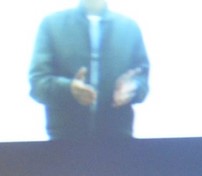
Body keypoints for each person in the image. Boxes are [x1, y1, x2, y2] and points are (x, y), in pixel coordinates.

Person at [29, 1, 149, 140]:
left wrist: (133, 88)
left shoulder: (129, 28)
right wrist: (69, 89)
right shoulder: (52, 25)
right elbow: (37, 84)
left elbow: (142, 82)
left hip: (118, 141)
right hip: (64, 142)